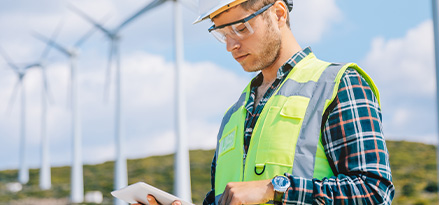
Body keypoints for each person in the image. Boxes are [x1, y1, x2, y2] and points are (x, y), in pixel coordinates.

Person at [147, 0, 394, 204]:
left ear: (278, 14)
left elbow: (374, 192)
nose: (231, 46)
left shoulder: (338, 84)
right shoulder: (234, 114)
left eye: (241, 28)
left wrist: (275, 189)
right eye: (222, 34)